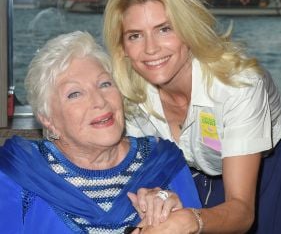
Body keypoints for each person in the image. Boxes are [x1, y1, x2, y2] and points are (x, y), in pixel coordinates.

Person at [103, 0, 281, 233]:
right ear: (123, 47)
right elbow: (150, 171)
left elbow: (241, 211)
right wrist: (154, 195)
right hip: (191, 168)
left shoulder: (238, 86)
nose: (150, 49)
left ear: (189, 29)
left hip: (265, 165)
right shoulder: (129, 95)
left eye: (164, 29)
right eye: (135, 35)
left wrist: (192, 221)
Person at [0, 31, 202, 234]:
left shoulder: (163, 163)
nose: (99, 101)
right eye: (75, 94)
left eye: (105, 84)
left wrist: (178, 217)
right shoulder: (19, 172)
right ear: (47, 118)